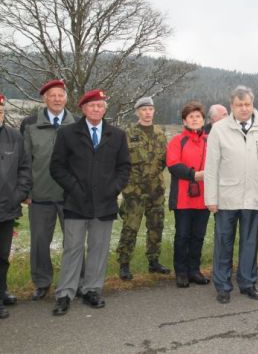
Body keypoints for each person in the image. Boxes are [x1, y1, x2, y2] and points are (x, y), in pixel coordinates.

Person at [50, 89, 130, 316]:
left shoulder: (116, 135)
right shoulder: (68, 134)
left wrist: (113, 189)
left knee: (98, 248)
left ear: (105, 110)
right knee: (72, 249)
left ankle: (91, 289)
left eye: (101, 106)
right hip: (76, 202)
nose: (97, 109)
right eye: (92, 105)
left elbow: (124, 168)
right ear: (83, 108)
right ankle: (65, 293)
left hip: (104, 203)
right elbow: (57, 167)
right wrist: (74, 188)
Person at [204, 86, 258, 304]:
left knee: (250, 243)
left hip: (255, 194)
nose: (244, 109)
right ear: (232, 106)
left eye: (247, 104)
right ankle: (223, 285)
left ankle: (248, 283)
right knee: (224, 242)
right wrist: (211, 199)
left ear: (252, 104)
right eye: (239, 105)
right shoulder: (219, 129)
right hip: (227, 195)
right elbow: (211, 168)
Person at [20, 80, 75, 301]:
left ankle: (75, 281)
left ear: (66, 98)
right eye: (52, 95)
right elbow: (24, 161)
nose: (56, 99)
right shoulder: (30, 124)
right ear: (44, 98)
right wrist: (26, 191)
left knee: (74, 242)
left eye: (60, 95)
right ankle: (42, 283)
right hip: (40, 196)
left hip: (70, 196)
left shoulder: (76, 123)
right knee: (40, 243)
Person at [116, 97, 169, 281]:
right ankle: (124, 264)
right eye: (144, 109)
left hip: (156, 191)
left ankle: (154, 261)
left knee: (156, 226)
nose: (148, 112)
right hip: (134, 192)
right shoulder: (128, 134)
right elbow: (121, 162)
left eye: (150, 109)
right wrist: (127, 186)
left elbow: (162, 162)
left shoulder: (160, 133)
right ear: (137, 112)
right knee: (130, 227)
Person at [166, 101, 210, 288]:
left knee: (198, 235)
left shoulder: (210, 141)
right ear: (184, 120)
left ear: (203, 119)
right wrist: (194, 174)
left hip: (205, 198)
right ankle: (181, 272)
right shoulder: (177, 141)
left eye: (198, 116)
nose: (194, 119)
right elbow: (173, 165)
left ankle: (195, 270)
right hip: (183, 198)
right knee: (183, 235)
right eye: (191, 116)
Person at [0, 93, 32, 319]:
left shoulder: (13, 137)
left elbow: (24, 168)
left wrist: (18, 194)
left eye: (1, 111)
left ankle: (1, 291)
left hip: (6, 207)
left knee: (2, 255)